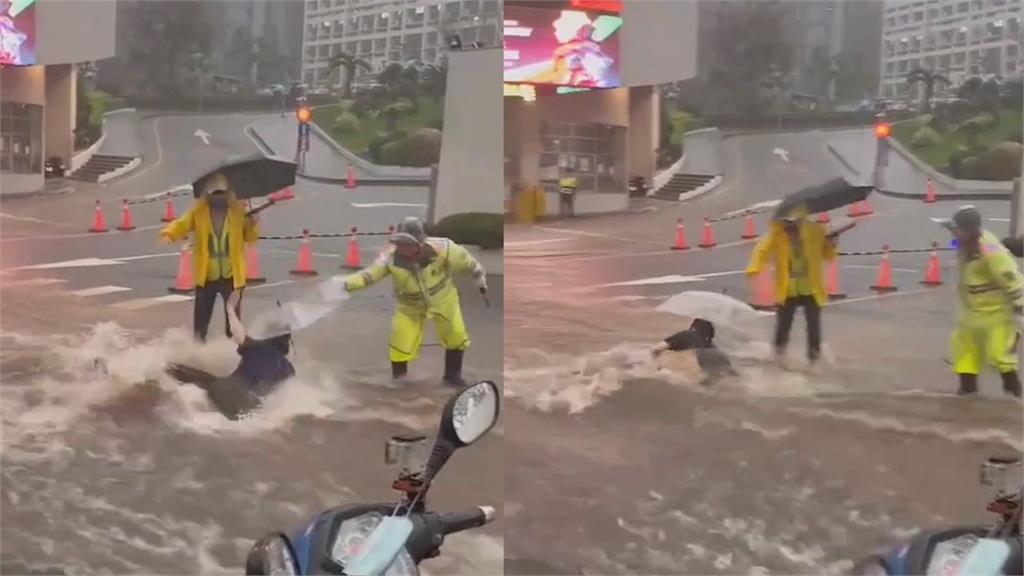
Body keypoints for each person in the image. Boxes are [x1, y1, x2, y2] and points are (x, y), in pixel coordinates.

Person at [343, 216, 487, 387]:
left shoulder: (444, 249)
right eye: (400, 242)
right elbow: (369, 276)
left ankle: (452, 376)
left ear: (420, 242)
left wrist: (480, 281)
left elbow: (470, 264)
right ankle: (399, 380)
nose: (403, 247)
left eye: (408, 243)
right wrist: (345, 285)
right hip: (409, 306)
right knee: (400, 340)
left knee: (455, 333)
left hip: (444, 298)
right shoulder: (389, 257)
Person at [159, 172, 259, 342]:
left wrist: (253, 222)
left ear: (228, 192)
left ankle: (234, 355)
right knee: (200, 325)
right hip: (206, 277)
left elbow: (250, 237)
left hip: (232, 278)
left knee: (233, 326)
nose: (218, 198)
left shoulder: (238, 211)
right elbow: (182, 223)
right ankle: (199, 354)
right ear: (208, 193)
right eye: (214, 193)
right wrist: (169, 234)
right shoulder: (199, 211)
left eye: (221, 193)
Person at [165, 290, 295, 420]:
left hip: (227, 393)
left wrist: (230, 310)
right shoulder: (289, 370)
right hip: (251, 407)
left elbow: (238, 333)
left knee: (188, 374)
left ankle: (163, 372)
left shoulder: (255, 347)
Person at [938, 206, 1023, 397]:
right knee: (965, 352)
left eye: (957, 229)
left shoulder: (992, 252)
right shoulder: (965, 244)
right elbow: (956, 243)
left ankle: (1014, 401)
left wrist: (1021, 307)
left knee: (1001, 355)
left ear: (970, 230)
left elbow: (1012, 279)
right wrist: (953, 242)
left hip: (997, 315)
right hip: (971, 315)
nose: (954, 233)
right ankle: (967, 395)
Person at [746, 211, 838, 370]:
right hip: (788, 289)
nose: (791, 226)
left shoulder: (816, 231)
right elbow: (761, 250)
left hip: (811, 288)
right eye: (787, 222)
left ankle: (814, 359)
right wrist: (754, 267)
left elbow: (828, 255)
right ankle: (778, 355)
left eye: (794, 222)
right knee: (783, 325)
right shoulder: (777, 235)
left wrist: (832, 244)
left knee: (814, 326)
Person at [651, 318, 734, 384]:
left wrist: (658, 364)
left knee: (663, 373)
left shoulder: (685, 335)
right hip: (704, 382)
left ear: (693, 327)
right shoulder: (713, 349)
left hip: (683, 380)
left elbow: (656, 349)